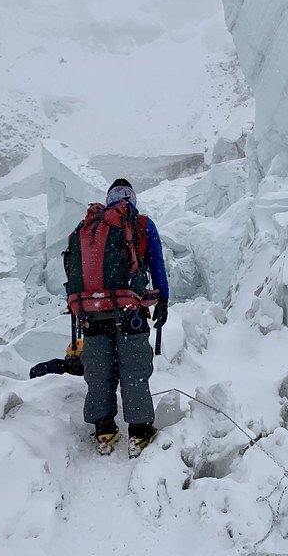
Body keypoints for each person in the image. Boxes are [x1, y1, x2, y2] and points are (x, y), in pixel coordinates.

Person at [64, 178, 169, 457]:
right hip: (129, 312)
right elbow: (157, 265)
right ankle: (139, 432)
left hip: (92, 313)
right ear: (131, 199)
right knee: (133, 370)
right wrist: (163, 300)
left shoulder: (88, 227)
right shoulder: (141, 224)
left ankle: (104, 429)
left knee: (99, 371)